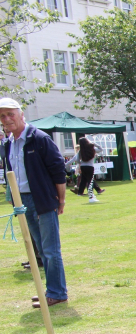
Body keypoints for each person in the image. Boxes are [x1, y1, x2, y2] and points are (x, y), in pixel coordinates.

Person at [1, 97, 69, 307]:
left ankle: (57, 292)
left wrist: (61, 198)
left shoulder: (39, 138)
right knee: (39, 248)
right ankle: (50, 290)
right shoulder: (8, 143)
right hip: (22, 201)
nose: (7, 119)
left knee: (50, 249)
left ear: (21, 115)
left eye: (11, 114)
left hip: (42, 199)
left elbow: (58, 169)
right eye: (3, 116)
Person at [66, 137, 105, 202]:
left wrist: (81, 163)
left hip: (83, 166)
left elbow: (77, 160)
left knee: (84, 180)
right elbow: (101, 149)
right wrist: (94, 144)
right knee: (90, 181)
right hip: (90, 166)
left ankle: (80, 192)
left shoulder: (81, 151)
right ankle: (91, 197)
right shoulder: (92, 149)